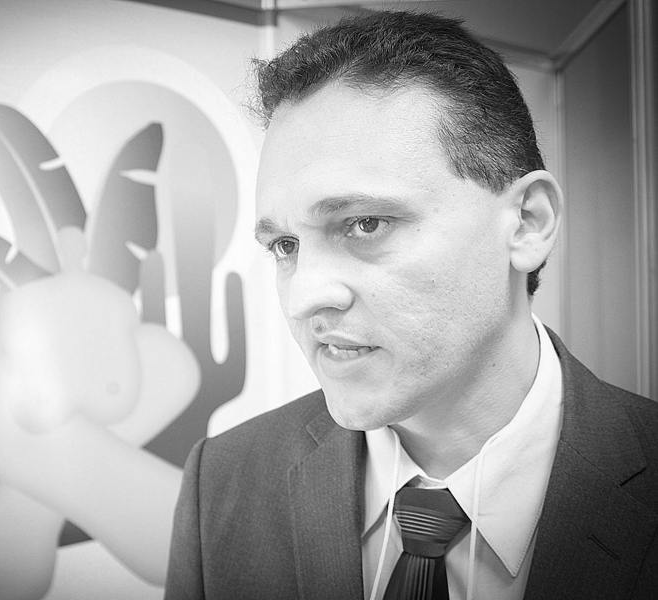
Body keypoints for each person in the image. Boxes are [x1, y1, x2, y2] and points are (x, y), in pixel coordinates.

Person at [164, 10, 658, 600]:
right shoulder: (222, 482)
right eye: (285, 246)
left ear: (527, 222)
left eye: (365, 224)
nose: (303, 297)